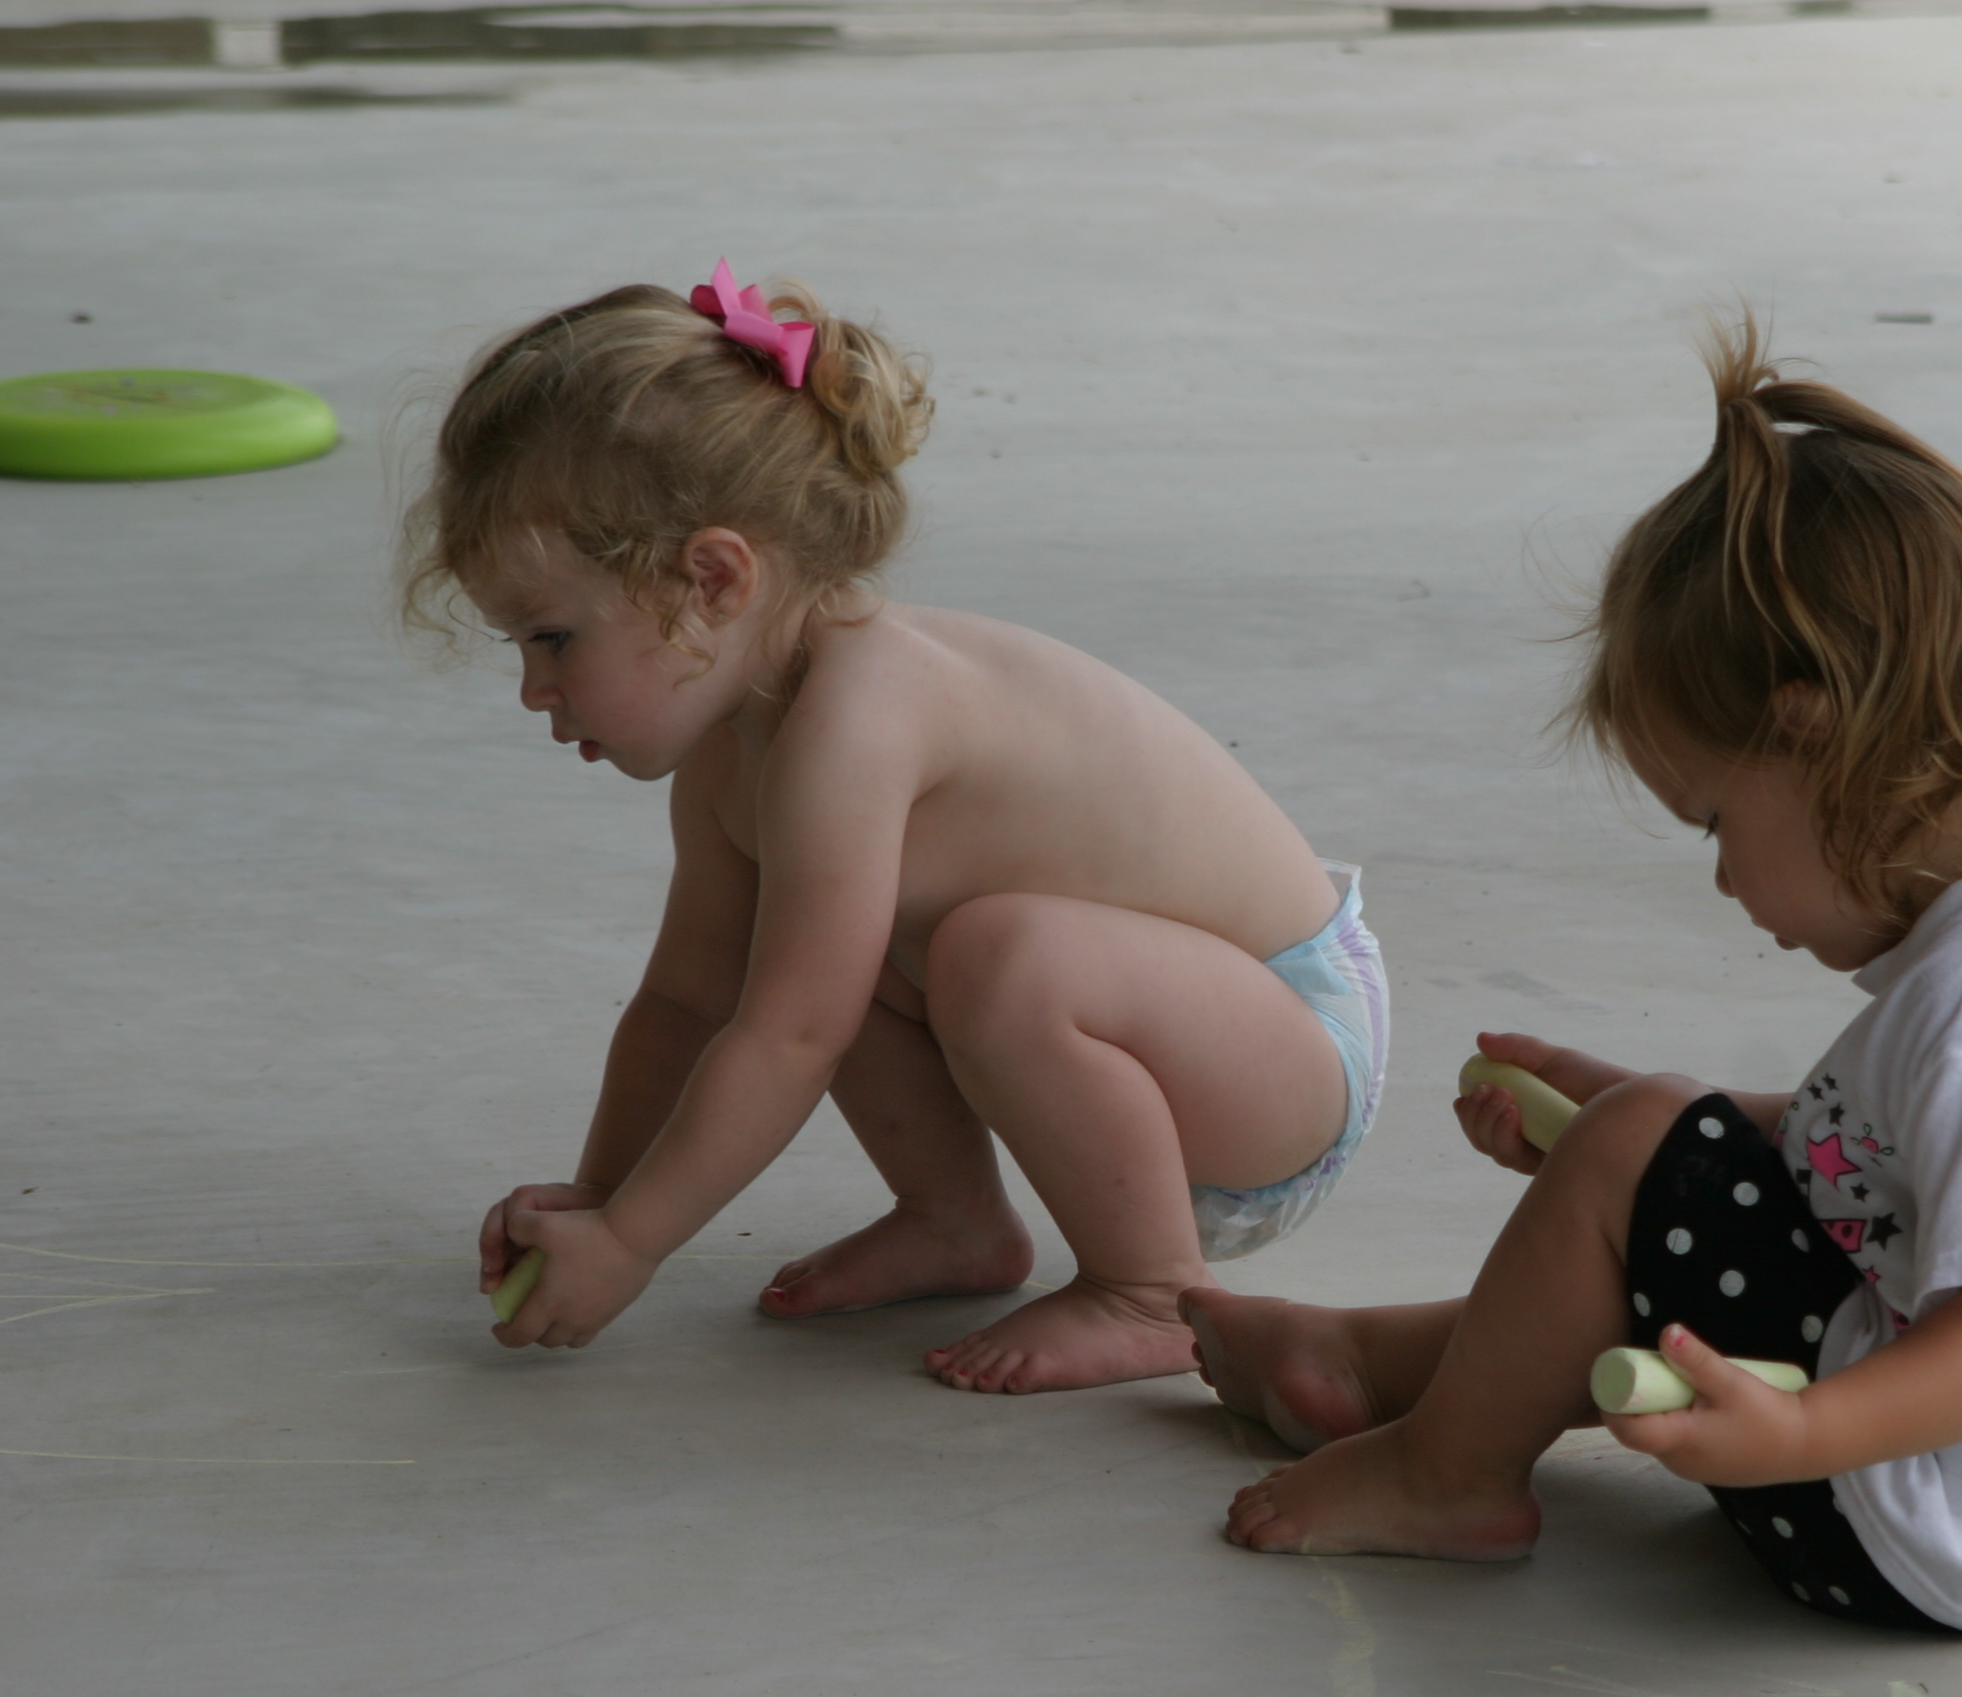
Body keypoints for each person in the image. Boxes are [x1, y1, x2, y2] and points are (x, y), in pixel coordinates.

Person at [1189, 325, 1962, 1637]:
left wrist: (1805, 1428)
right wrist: (1633, 1127)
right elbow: (1921, 1156)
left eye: (1714, 821)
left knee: (1645, 1145)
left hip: (1927, 1526)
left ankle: (1446, 1475)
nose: (1719, 879)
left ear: (1815, 733)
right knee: (1644, 1140)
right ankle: (1364, 1364)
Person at [403, 264, 1387, 1393]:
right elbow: (688, 1002)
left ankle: (1152, 1289)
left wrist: (634, 1248)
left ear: (712, 579)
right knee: (831, 943)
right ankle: (955, 1220)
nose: (534, 688)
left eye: (554, 638)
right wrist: (604, 1198)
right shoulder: (739, 745)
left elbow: (787, 1039)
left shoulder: (862, 718)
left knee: (991, 956)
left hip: (1286, 1054)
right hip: (1177, 1041)